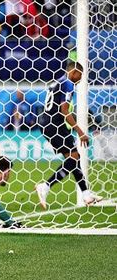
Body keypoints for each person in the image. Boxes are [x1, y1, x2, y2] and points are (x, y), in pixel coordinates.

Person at [36, 62, 102, 209]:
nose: (80, 78)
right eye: (80, 75)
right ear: (73, 72)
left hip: (47, 123)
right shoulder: (68, 84)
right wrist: (81, 132)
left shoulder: (57, 81)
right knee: (74, 157)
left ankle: (86, 194)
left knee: (73, 159)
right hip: (54, 125)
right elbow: (64, 110)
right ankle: (45, 186)